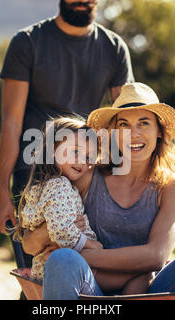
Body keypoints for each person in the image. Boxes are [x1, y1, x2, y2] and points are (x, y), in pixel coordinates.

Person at [22, 82, 175, 299]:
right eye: (124, 125)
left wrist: (81, 253)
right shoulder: (87, 177)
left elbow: (155, 257)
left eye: (144, 123)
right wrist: (50, 232)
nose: (134, 134)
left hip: (149, 291)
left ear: (160, 131)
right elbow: (30, 246)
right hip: (93, 289)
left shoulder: (174, 188)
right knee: (62, 260)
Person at [0, 0, 135, 270]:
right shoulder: (27, 42)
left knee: (86, 273)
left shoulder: (114, 47)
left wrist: (127, 181)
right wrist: (2, 191)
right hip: (35, 171)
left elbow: (123, 121)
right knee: (35, 271)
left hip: (89, 174)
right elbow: (11, 122)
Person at [13, 117, 153, 295]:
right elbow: (62, 231)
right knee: (140, 276)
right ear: (52, 150)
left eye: (88, 157)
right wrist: (91, 245)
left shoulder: (53, 184)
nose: (82, 162)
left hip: (65, 265)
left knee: (139, 277)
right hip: (69, 266)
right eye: (75, 152)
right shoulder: (59, 186)